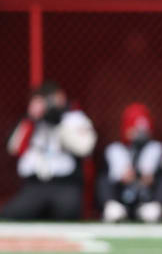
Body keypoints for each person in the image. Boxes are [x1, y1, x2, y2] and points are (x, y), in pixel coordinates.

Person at [1, 81, 97, 220]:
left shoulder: (74, 119)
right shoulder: (30, 123)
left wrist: (59, 123)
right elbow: (14, 148)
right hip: (35, 186)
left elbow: (85, 148)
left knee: (68, 213)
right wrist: (30, 120)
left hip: (64, 185)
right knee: (10, 215)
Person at [98, 102, 162, 223]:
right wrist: (123, 176)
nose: (138, 134)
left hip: (145, 198)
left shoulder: (155, 149)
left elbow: (153, 177)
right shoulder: (115, 150)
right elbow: (113, 178)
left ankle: (155, 207)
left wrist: (146, 177)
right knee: (103, 178)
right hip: (121, 198)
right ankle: (111, 206)